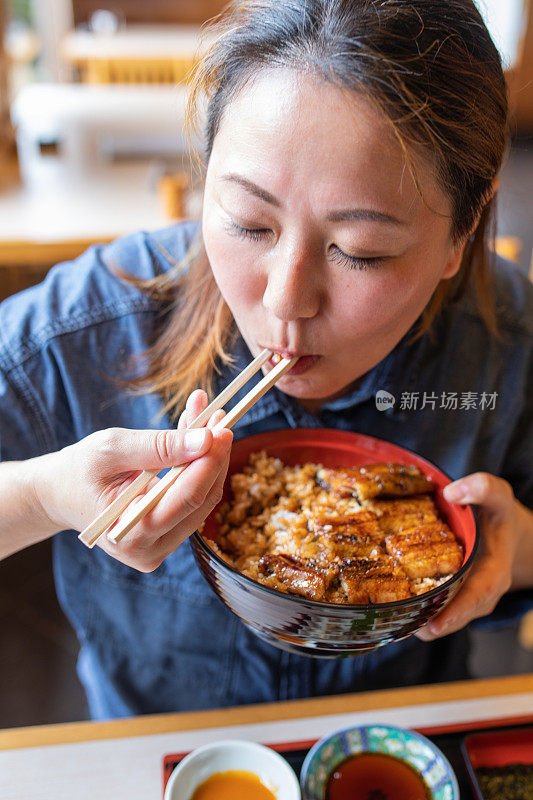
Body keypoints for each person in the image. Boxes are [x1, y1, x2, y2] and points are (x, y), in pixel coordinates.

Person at [1, 0, 532, 720]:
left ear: (461, 232)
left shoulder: (507, 338)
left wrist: (518, 549)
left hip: (395, 745)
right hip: (154, 754)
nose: (285, 300)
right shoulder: (91, 321)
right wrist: (40, 496)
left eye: (359, 253)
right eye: (249, 222)